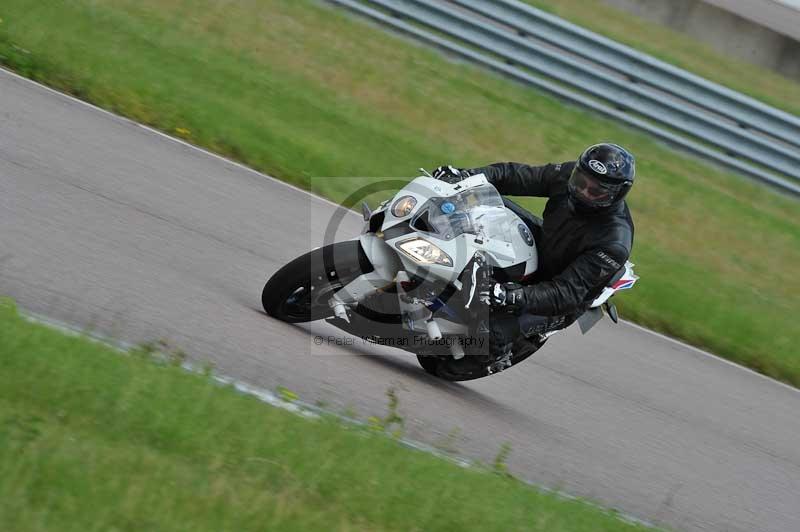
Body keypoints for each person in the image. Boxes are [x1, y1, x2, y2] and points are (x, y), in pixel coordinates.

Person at [432, 143, 635, 363]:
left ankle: (495, 354)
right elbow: (516, 176)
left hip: (562, 298)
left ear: (616, 194)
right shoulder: (568, 177)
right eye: (580, 183)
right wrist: (468, 176)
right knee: (480, 204)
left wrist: (511, 295)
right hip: (546, 243)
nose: (582, 192)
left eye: (595, 191)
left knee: (489, 333)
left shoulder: (613, 241)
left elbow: (566, 293)